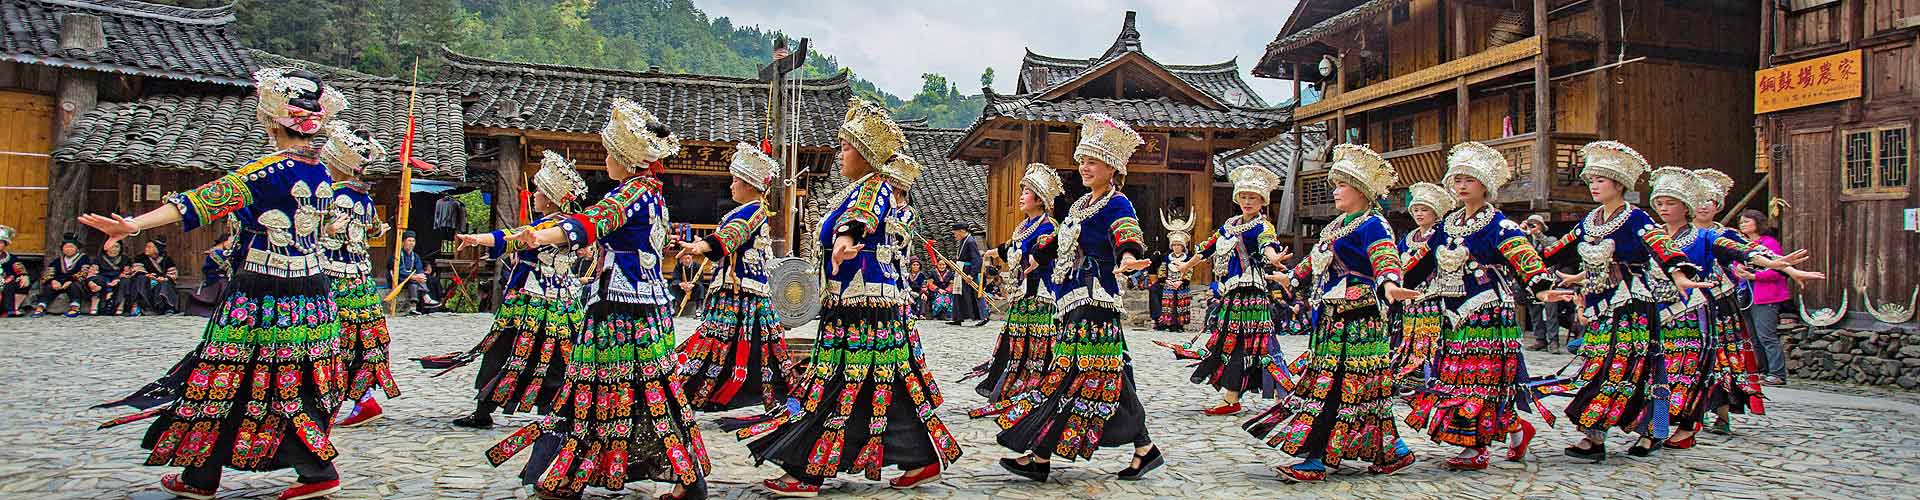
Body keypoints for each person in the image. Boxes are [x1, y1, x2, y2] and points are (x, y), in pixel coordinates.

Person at [83, 67, 350, 500]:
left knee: (224, 375)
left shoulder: (266, 173)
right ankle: (256, 473)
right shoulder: (319, 173)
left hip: (261, 295)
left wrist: (134, 224)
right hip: (312, 296)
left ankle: (220, 475)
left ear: (270, 119)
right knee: (289, 379)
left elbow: (198, 204)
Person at [728, 98, 960, 497]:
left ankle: (808, 470)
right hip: (859, 306)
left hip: (865, 307)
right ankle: (919, 457)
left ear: (867, 154)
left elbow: (863, 219)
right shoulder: (855, 190)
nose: (839, 155)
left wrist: (847, 237)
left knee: (838, 382)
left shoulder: (874, 188)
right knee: (876, 383)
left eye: (846, 147)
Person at [484, 98, 708, 500]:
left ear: (623, 158)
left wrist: (544, 235)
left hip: (621, 310)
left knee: (601, 389)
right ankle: (685, 479)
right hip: (642, 305)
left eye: (609, 153)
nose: (605, 160)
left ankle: (570, 479)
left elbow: (591, 223)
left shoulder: (630, 195)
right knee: (643, 390)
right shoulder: (652, 194)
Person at [973, 113, 1160, 483]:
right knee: (1107, 375)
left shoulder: (1117, 203)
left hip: (1095, 303)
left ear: (1112, 166)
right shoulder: (1078, 207)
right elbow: (1057, 244)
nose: (1084, 167)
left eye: (1092, 161)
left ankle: (1040, 456)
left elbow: (1126, 233)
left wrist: (1126, 256)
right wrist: (1029, 259)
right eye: (1082, 161)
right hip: (1072, 301)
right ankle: (1143, 447)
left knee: (1070, 376)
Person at [1243, 144, 1420, 482]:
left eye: (1342, 185)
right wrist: (1290, 277)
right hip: (1331, 318)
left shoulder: (1374, 225)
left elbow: (1385, 258)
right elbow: (1314, 262)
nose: (1335, 190)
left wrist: (1390, 284)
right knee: (1354, 387)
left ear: (1361, 191)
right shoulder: (1335, 226)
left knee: (1343, 386)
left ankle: (1317, 458)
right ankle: (1394, 450)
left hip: (1358, 318)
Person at [1398, 143, 1574, 470]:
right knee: (1455, 377)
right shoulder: (1447, 226)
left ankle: (1476, 446)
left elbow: (1524, 257)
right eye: (1457, 179)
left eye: (1469, 180)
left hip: (1487, 310)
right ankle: (1518, 430)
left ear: (1485, 185)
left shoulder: (1498, 225)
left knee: (1481, 378)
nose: (1461, 186)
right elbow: (1422, 264)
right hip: (1452, 311)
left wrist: (1543, 287)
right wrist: (1396, 287)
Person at [1536, 141, 1716, 461]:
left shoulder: (1636, 219)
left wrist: (1678, 272)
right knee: (1598, 368)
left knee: (1634, 370)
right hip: (1600, 306)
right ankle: (1595, 436)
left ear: (1618, 184)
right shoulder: (1589, 221)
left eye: (1600, 180)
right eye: (1590, 180)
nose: (1593, 186)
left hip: (1632, 305)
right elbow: (1555, 251)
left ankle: (1652, 432)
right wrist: (1519, 261)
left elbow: (1660, 245)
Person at [1666, 169, 1820, 445]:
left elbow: (1755, 254)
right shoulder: (1670, 234)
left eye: (1710, 201)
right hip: (1680, 304)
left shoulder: (1724, 235)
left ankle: (1719, 415)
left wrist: (1789, 270)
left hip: (1719, 304)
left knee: (1721, 360)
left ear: (1718, 206)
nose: (1703, 206)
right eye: (1698, 200)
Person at [448, 150, 590, 429]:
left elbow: (511, 239)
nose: (533, 195)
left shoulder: (551, 227)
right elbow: (511, 238)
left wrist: (478, 239)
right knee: (551, 355)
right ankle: (559, 409)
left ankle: (488, 409)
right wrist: (479, 239)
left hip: (534, 303)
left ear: (549, 199)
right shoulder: (556, 225)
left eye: (538, 191)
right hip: (558, 301)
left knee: (508, 350)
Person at [671, 142, 794, 413]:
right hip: (741, 288)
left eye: (735, 180)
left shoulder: (752, 212)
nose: (731, 186)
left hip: (742, 291)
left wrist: (700, 246)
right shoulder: (749, 210)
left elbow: (731, 236)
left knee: (728, 341)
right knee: (740, 342)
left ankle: (730, 389)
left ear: (749, 184)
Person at [1174, 165, 1288, 416]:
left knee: (1261, 345)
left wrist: (1273, 256)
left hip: (1252, 294)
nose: (1247, 201)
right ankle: (1231, 397)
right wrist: (1185, 266)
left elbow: (1267, 245)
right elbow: (1207, 249)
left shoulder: (1262, 226)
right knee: (1230, 343)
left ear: (1262, 201)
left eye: (1253, 197)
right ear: (1237, 198)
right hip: (1231, 294)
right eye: (1244, 196)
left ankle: (1285, 392)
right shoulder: (1229, 225)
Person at [313, 121, 399, 429]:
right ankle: (362, 399)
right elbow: (375, 229)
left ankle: (331, 401)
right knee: (360, 340)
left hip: (332, 278)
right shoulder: (364, 198)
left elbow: (322, 235)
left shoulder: (331, 197)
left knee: (331, 340)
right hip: (361, 279)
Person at [967, 163, 1063, 402]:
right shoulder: (1024, 226)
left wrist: (1035, 260)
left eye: (1026, 193)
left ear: (1040, 200)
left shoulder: (1048, 226)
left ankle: (1035, 384)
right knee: (1015, 338)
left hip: (1039, 293)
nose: (1021, 197)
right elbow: (1011, 246)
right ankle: (1009, 381)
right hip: (1021, 291)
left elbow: (1042, 252)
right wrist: (992, 252)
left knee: (1037, 341)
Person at [1391, 182, 1452, 384]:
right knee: (1410, 335)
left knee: (1431, 336)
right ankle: (1409, 373)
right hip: (1410, 296)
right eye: (1416, 210)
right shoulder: (1408, 238)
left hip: (1432, 294)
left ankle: (1432, 373)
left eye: (1424, 210)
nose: (1419, 214)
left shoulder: (1441, 235)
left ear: (1435, 213)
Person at [1738, 210, 1793, 386]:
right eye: (1741, 222)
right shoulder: (1742, 244)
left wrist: (1755, 277)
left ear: (1757, 223)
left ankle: (1777, 373)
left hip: (1765, 295)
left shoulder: (1769, 244)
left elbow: (1778, 269)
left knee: (1766, 335)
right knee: (1753, 336)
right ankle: (1762, 370)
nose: (1743, 224)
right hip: (1746, 294)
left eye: (1747, 221)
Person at [29, 234, 89, 317]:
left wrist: (70, 281)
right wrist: (53, 281)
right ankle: (41, 307)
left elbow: (83, 272)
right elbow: (49, 272)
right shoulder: (58, 260)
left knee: (74, 287)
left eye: (71, 247)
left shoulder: (83, 258)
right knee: (48, 287)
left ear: (77, 248)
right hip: (59, 282)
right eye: (66, 247)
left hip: (74, 282)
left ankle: (75, 308)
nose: (68, 249)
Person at [1157, 210, 1196, 332]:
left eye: (1179, 245)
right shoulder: (1167, 257)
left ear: (1183, 246)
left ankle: (1180, 325)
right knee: (1169, 305)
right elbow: (1162, 270)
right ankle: (1168, 324)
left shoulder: (1188, 258)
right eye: (1174, 245)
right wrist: (1166, 280)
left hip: (1181, 285)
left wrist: (1182, 281)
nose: (1176, 247)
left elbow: (1189, 270)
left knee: (1181, 305)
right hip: (1169, 283)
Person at [185, 234, 234, 318]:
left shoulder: (217, 252)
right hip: (216, 279)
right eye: (231, 242)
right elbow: (228, 267)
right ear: (224, 242)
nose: (232, 244)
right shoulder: (217, 252)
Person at [949, 223, 987, 327]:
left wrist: (971, 274)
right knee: (959, 294)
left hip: (969, 271)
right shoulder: (963, 241)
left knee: (975, 293)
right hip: (962, 269)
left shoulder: (970, 241)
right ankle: (958, 317)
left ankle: (983, 317)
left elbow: (976, 259)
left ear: (961, 231)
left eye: (955, 232)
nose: (954, 235)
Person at [132, 239, 179, 315]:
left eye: (150, 247)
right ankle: (147, 307)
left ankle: (168, 307)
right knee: (141, 279)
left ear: (157, 249)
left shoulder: (167, 259)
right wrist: (149, 276)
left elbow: (172, 274)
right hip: (147, 280)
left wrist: (164, 278)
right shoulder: (140, 258)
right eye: (146, 247)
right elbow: (138, 270)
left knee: (165, 283)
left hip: (161, 280)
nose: (146, 249)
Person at [396, 230, 439, 314]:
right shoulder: (398, 255)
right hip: (400, 278)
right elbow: (399, 271)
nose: (411, 243)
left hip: (412, 280)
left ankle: (413, 308)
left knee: (417, 280)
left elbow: (419, 269)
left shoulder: (415, 256)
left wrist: (421, 276)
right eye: (409, 241)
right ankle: (426, 297)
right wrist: (414, 277)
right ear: (403, 242)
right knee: (414, 280)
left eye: (413, 241)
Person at [92, 240, 130, 315]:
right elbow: (94, 272)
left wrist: (118, 279)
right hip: (103, 278)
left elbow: (126, 272)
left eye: (117, 247)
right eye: (112, 247)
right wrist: (107, 282)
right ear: (106, 248)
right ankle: (95, 304)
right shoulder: (98, 259)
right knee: (97, 280)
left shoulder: (125, 259)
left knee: (125, 281)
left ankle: (120, 305)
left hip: (118, 278)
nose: (114, 249)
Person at [0, 226, 28, 317]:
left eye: (1, 242)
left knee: (21, 282)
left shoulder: (11, 258)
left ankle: (13, 309)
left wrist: (24, 276)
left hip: (7, 285)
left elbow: (20, 270)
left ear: (5, 244)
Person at [671, 251, 705, 316]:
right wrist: (681, 284)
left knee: (700, 287)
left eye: (688, 258)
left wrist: (692, 285)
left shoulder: (697, 266)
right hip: (682, 289)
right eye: (684, 259)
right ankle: (673, 307)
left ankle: (699, 308)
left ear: (691, 258)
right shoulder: (679, 266)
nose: (686, 260)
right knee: (672, 286)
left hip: (693, 289)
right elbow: (675, 278)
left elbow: (701, 280)